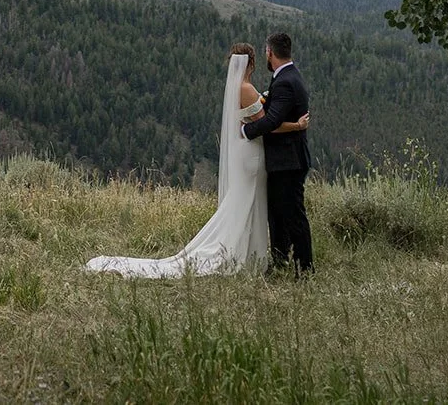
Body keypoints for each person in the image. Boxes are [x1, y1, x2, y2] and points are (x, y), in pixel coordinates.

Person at [84, 43, 308, 278]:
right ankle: (243, 254)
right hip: (252, 153)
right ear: (251, 63)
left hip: (245, 153)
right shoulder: (247, 89)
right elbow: (268, 125)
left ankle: (248, 252)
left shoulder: (237, 87)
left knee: (245, 201)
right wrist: (297, 125)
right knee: (248, 201)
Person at [242, 31, 313, 274]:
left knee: (293, 215)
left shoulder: (284, 81)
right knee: (278, 214)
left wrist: (244, 131)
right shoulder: (290, 76)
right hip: (287, 160)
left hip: (288, 161)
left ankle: (305, 268)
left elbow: (271, 121)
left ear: (270, 52)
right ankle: (281, 260)